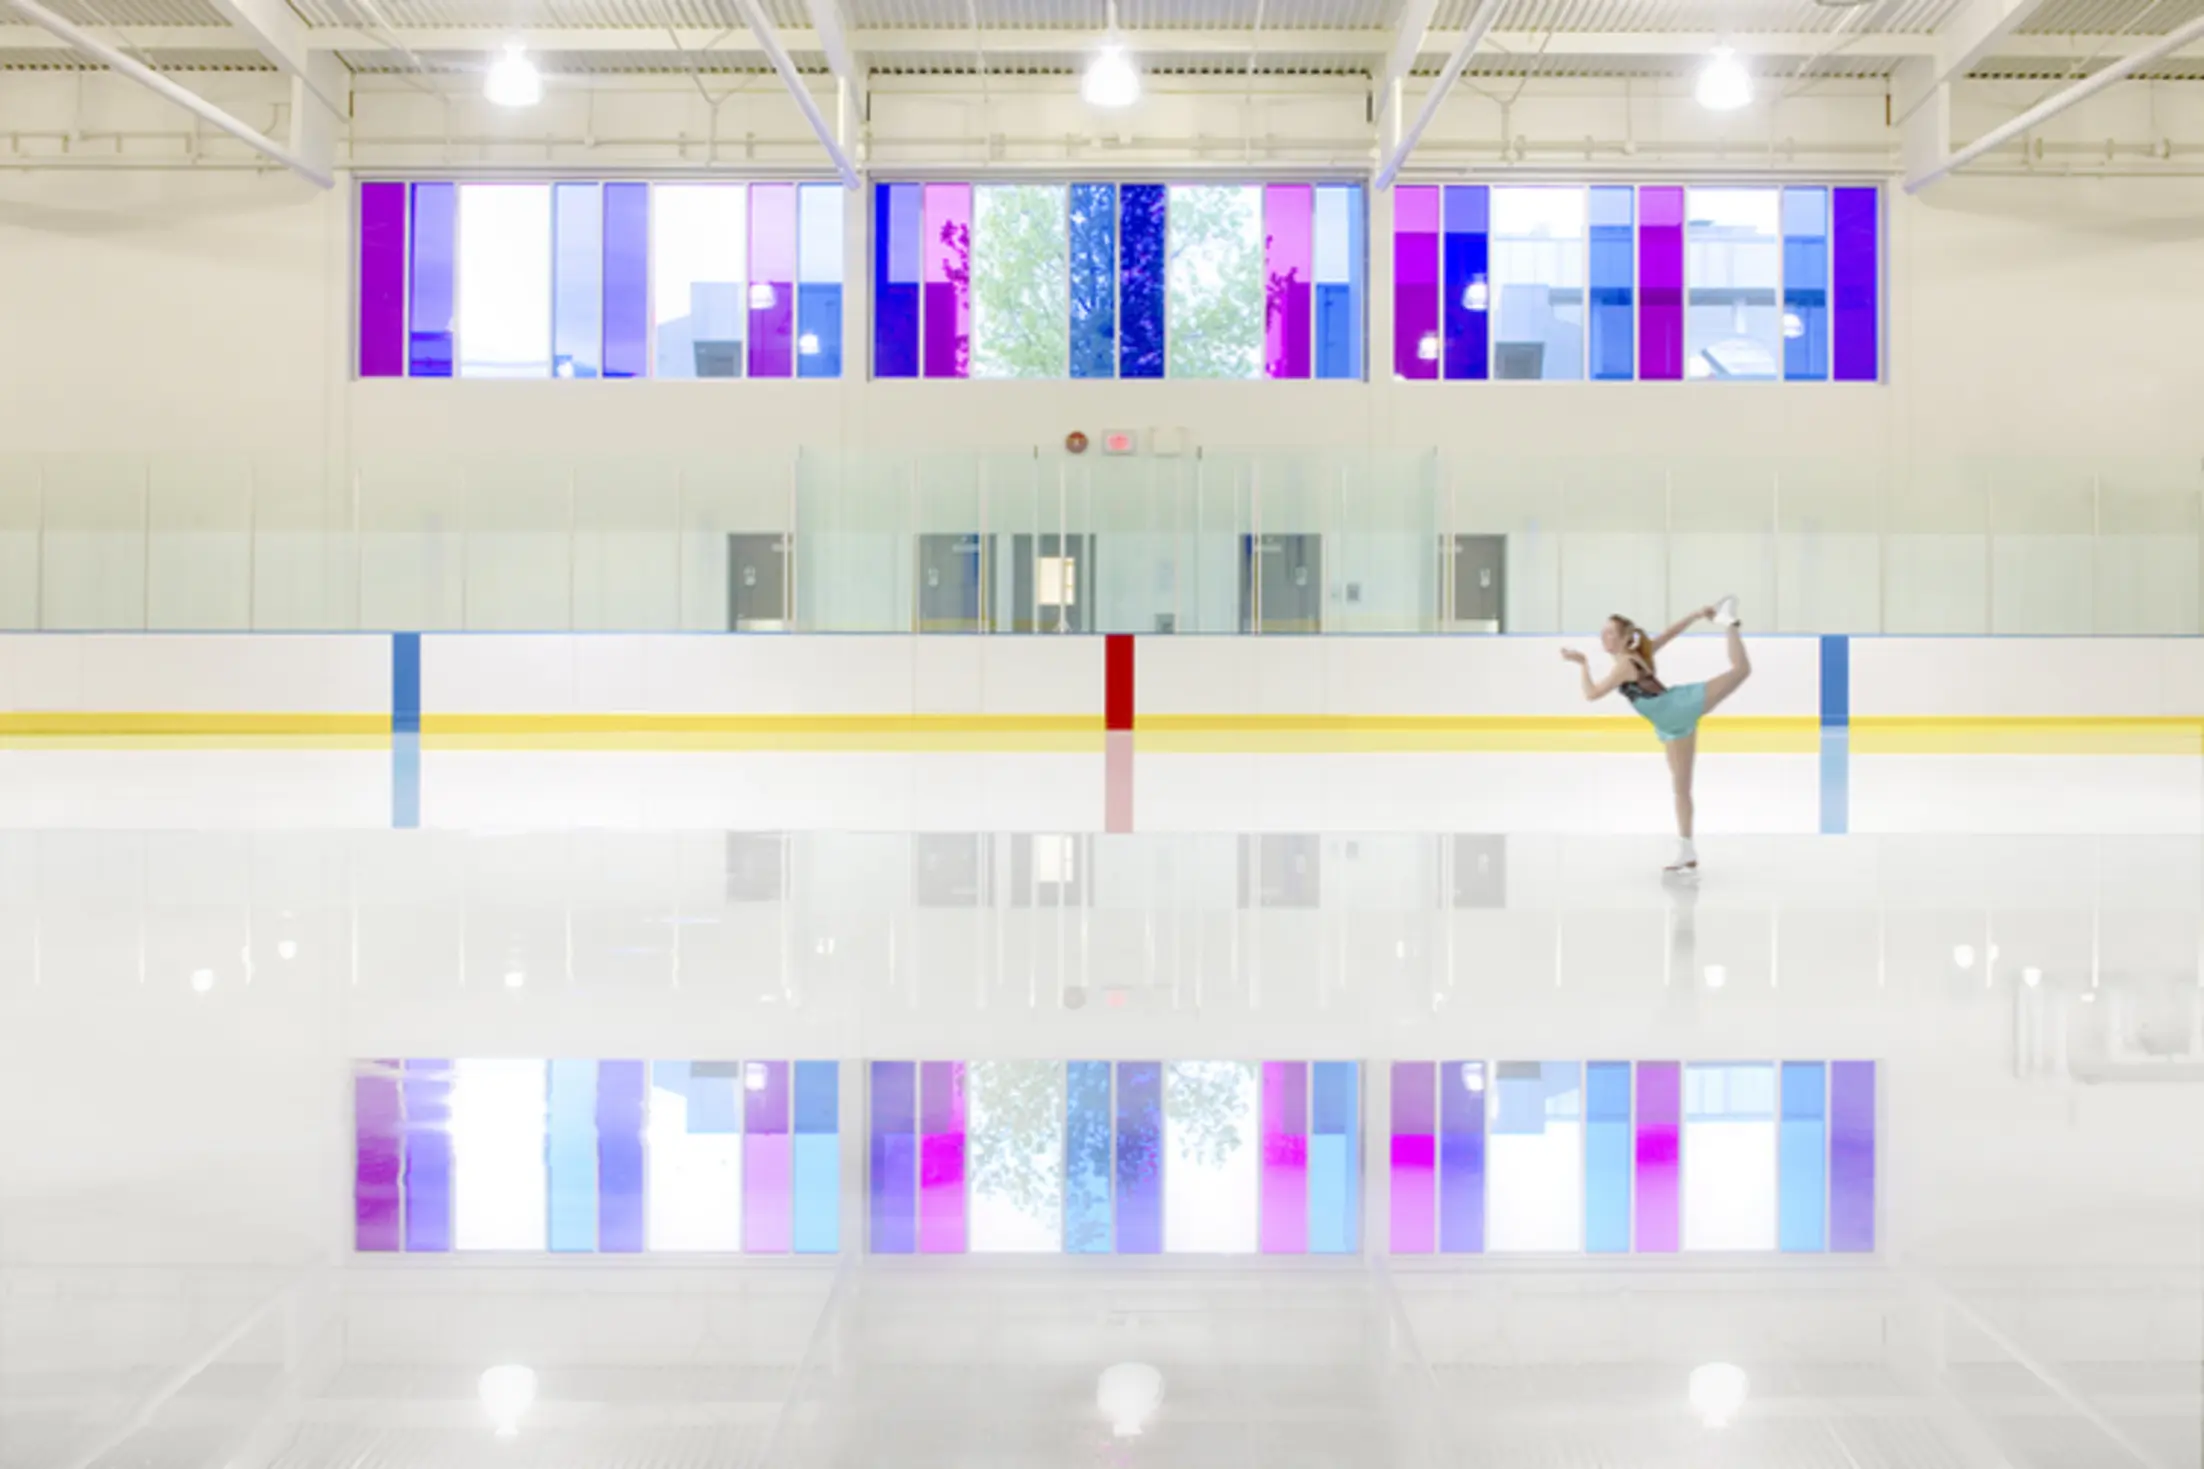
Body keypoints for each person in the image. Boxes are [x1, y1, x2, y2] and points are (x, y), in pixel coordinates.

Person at [1561, 595, 1748, 874]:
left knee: (1740, 670)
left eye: (1610, 632)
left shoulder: (1625, 664)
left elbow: (1591, 694)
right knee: (1681, 788)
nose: (1604, 636)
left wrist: (1583, 664)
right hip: (1669, 723)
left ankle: (1730, 622)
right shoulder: (1637, 654)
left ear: (1625, 639)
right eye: (1604, 631)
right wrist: (1696, 614)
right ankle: (1687, 850)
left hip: (1677, 708)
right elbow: (1671, 633)